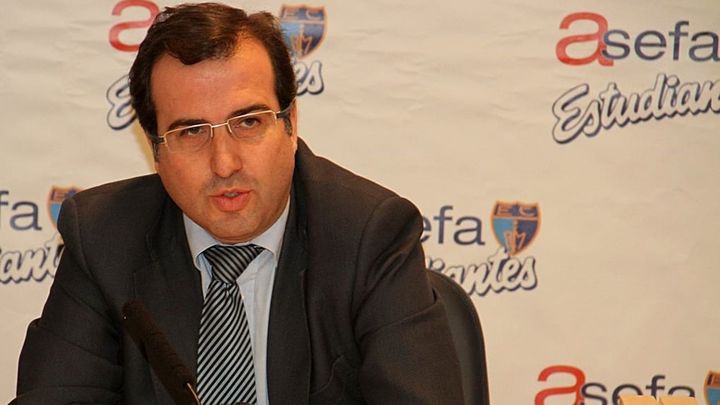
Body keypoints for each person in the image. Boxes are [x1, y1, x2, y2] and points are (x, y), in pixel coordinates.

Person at [13, 3, 463, 404]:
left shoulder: (369, 234)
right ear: (156, 150)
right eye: (191, 132)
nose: (225, 163)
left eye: (248, 122)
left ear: (290, 124)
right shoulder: (104, 238)